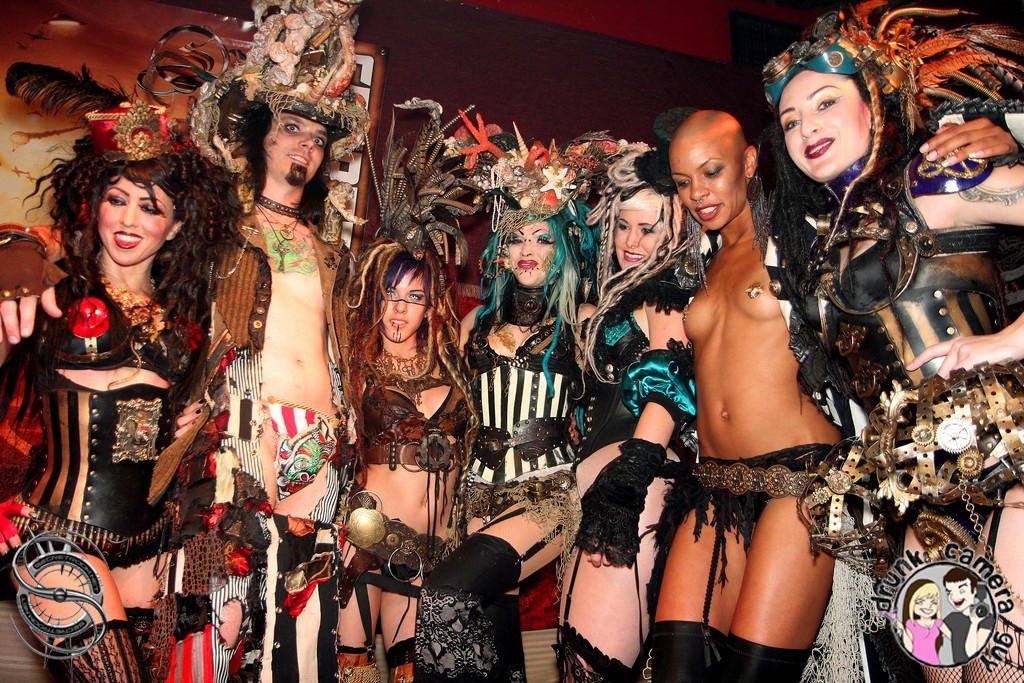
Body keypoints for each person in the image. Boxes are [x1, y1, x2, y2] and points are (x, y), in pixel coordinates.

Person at [764, 2, 1024, 680]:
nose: (806, 128)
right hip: (907, 488)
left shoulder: (933, 179)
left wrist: (1008, 341)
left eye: (825, 103)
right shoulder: (817, 246)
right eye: (790, 120)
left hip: (1004, 462)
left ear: (874, 100)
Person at [152, 1, 370, 679]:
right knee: (221, 607)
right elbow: (171, 317)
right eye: (291, 129)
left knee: (303, 613)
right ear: (259, 136)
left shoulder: (332, 251)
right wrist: (176, 402)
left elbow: (341, 346)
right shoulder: (221, 230)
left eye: (317, 138)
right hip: (246, 425)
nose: (305, 147)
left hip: (322, 437)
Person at [0, 99, 240, 682]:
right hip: (58, 536)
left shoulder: (188, 325)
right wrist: (16, 255)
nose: (129, 220)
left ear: (175, 226)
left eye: (150, 207)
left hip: (149, 546)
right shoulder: (51, 294)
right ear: (94, 206)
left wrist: (192, 428)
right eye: (117, 200)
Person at [412, 117, 608, 682]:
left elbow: (620, 409)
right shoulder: (475, 322)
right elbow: (443, 402)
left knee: (447, 595)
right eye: (518, 236)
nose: (528, 250)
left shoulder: (585, 321)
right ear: (500, 249)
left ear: (563, 249)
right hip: (475, 494)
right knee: (491, 637)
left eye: (543, 238)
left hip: (549, 493)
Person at [558, 148, 696, 682]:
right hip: (598, 491)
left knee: (590, 668)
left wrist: (626, 486)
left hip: (633, 491)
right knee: (579, 663)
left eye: (648, 229)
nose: (631, 242)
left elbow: (667, 389)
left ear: (676, 232)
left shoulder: (667, 300)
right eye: (622, 225)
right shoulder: (617, 300)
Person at [942, 567, 995, 663]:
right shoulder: (952, 617)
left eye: (961, 590)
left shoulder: (987, 619)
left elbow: (971, 653)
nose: (954, 597)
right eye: (949, 592)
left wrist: (974, 623)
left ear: (974, 590)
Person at [900, 580, 950, 667]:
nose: (928, 606)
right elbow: (909, 649)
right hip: (918, 663)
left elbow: (954, 638)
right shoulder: (911, 624)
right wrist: (902, 629)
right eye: (920, 602)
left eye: (934, 602)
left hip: (935, 662)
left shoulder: (938, 623)